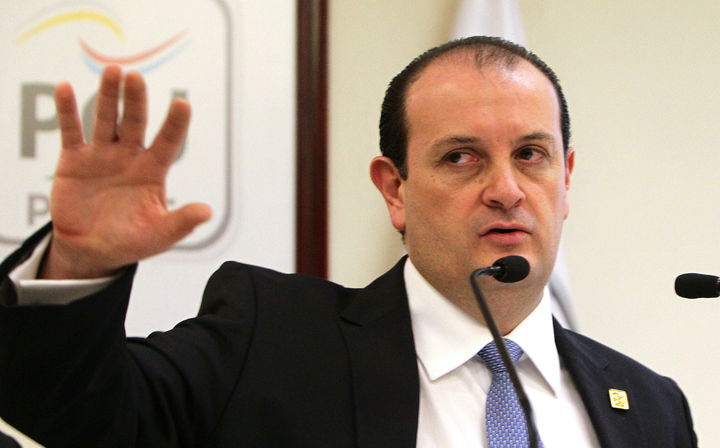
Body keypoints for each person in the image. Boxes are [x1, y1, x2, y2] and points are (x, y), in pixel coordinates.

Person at [0, 37, 696, 447]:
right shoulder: (268, 340)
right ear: (394, 190)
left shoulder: (652, 408)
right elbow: (79, 415)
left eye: (531, 155)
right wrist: (77, 266)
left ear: (566, 179)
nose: (506, 190)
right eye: (461, 157)